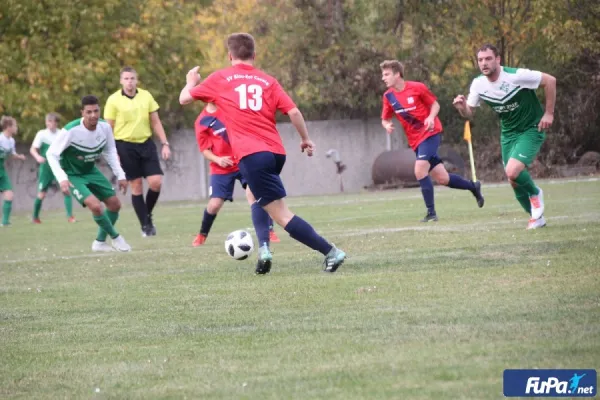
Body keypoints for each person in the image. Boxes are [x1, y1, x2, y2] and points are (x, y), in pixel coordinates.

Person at [179, 32, 346, 274]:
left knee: (281, 215)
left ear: (230, 55)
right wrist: (305, 139)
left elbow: (184, 98)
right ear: (254, 55)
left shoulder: (221, 78)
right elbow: (294, 112)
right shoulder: (268, 81)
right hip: (275, 152)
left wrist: (191, 81)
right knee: (254, 195)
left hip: (250, 154)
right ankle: (264, 249)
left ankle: (330, 252)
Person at [453, 44, 556, 229]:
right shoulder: (479, 84)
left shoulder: (516, 76)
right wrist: (462, 108)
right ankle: (536, 219)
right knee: (513, 179)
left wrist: (549, 114)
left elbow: (550, 80)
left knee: (512, 171)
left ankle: (535, 193)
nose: (484, 63)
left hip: (531, 129)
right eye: (480, 60)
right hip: (508, 134)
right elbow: (470, 113)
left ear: (498, 59)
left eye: (488, 58)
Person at [380, 60, 484, 222]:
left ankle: (431, 213)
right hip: (415, 141)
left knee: (419, 170)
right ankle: (473, 187)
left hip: (431, 133)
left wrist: (430, 117)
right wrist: (387, 125)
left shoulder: (417, 88)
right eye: (383, 75)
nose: (383, 78)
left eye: (386, 74)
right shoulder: (388, 96)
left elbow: (435, 105)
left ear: (397, 74)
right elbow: (385, 118)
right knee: (443, 179)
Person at [47, 95, 131, 252]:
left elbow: (110, 151)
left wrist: (121, 175)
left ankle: (99, 243)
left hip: (90, 170)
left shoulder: (105, 127)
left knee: (115, 204)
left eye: (96, 111)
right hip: (72, 175)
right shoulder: (71, 130)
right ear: (82, 113)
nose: (93, 115)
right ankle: (116, 238)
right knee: (95, 206)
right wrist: (62, 178)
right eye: (89, 112)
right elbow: (51, 154)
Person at [193, 103, 280, 247]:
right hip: (221, 167)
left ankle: (269, 231)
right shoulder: (202, 121)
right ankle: (202, 235)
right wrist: (218, 159)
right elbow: (204, 150)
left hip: (243, 160)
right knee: (214, 204)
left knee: (255, 194)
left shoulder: (230, 108)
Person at [104, 66, 171, 237]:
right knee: (137, 186)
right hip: (124, 146)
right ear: (121, 81)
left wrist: (165, 143)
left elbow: (155, 122)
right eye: (126, 78)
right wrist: (113, 153)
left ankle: (146, 214)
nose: (129, 82)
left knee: (156, 182)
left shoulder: (146, 96)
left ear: (137, 80)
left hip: (146, 144)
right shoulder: (113, 100)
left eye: (132, 78)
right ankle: (146, 226)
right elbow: (108, 129)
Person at [30, 113, 76, 223]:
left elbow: (67, 149)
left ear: (56, 123)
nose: (50, 124)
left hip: (58, 166)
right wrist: (38, 157)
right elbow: (33, 149)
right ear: (46, 122)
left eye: (53, 122)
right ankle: (35, 217)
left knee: (66, 190)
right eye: (48, 121)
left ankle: (70, 217)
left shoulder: (61, 134)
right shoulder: (42, 134)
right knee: (42, 193)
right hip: (46, 168)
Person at [0, 116, 26, 226]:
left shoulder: (11, 140)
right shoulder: (0, 139)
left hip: (1, 169)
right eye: (15, 125)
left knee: (9, 194)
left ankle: (5, 222)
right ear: (8, 127)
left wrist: (19, 157)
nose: (16, 128)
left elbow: (11, 154)